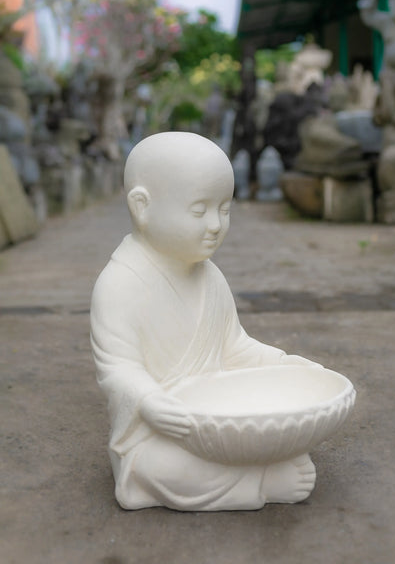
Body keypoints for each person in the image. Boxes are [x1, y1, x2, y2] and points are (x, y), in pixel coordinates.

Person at [90, 132, 319, 511]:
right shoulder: (119, 286)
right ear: (141, 206)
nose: (215, 224)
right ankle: (258, 480)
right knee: (163, 466)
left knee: (266, 408)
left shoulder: (209, 276)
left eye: (224, 209)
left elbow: (233, 346)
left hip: (216, 412)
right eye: (199, 211)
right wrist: (148, 401)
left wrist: (283, 364)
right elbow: (117, 368)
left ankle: (250, 459)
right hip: (162, 430)